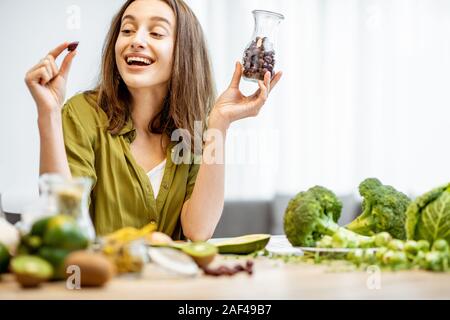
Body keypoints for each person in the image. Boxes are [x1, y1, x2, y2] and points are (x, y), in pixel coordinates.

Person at [24, 0, 282, 241]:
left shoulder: (196, 128)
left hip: (173, 287)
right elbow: (62, 224)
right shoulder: (82, 114)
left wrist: (220, 124)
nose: (136, 40)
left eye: (156, 33)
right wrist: (48, 115)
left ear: (184, 51)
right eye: (127, 30)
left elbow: (198, 230)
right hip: (102, 287)